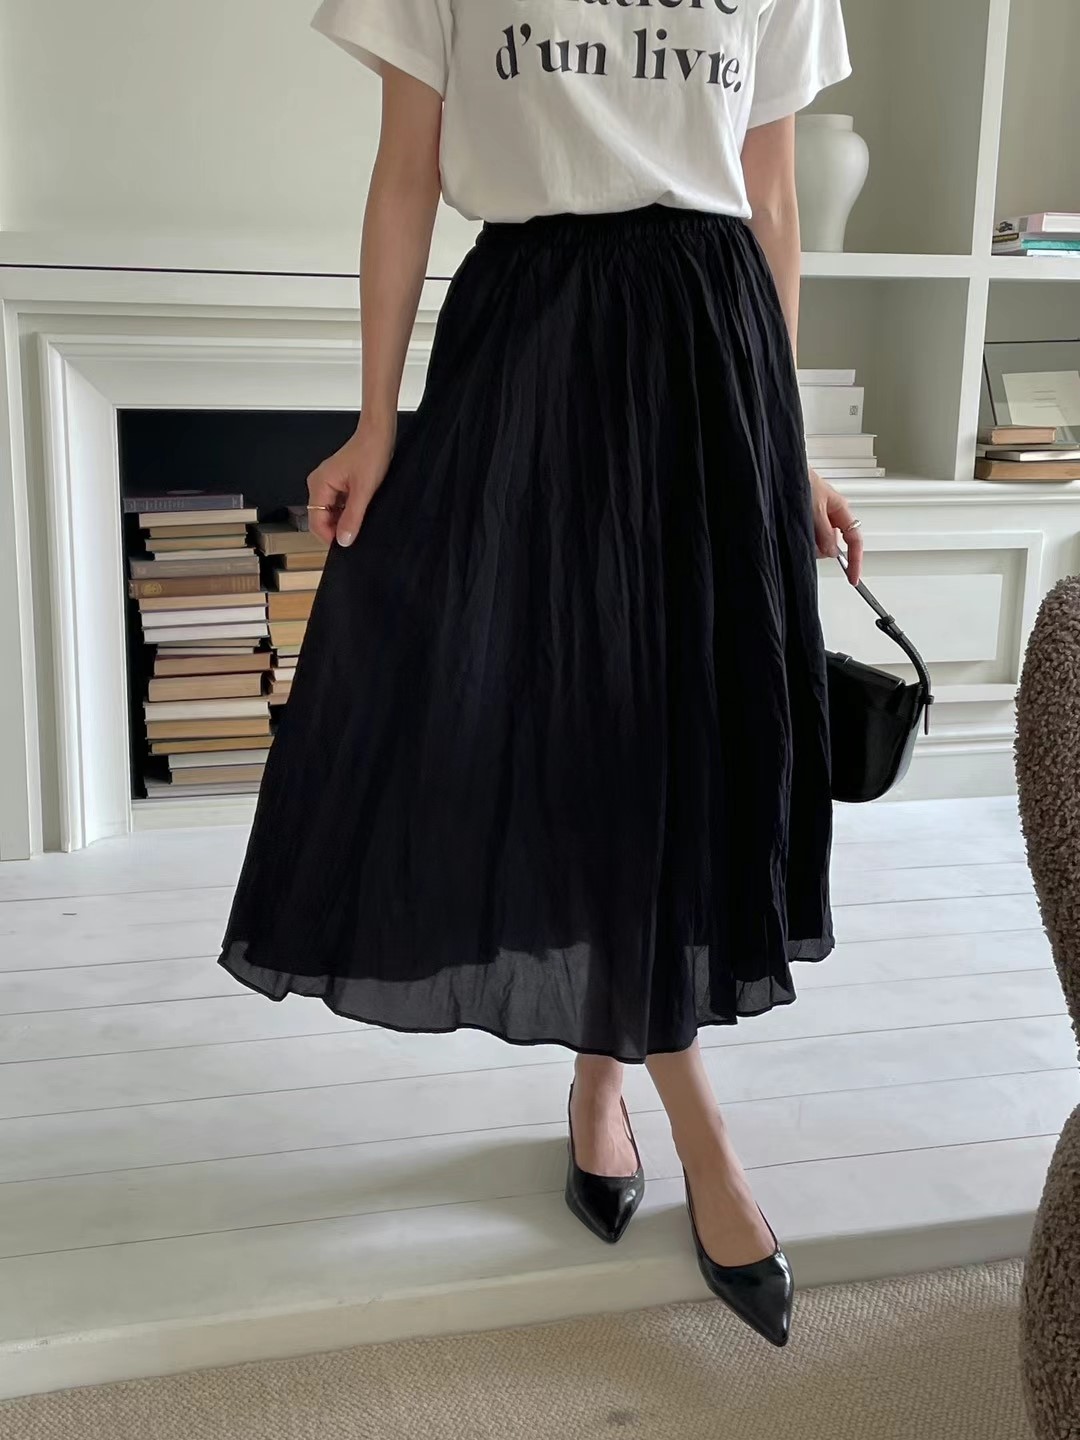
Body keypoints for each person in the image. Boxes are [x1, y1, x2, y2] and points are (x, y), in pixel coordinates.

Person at [219, 0, 863, 1350]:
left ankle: (601, 1072)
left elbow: (772, 198)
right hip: (536, 342)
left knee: (670, 733)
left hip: (713, 354)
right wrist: (376, 420)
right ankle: (701, 1133)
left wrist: (787, 446)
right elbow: (406, 175)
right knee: (554, 716)